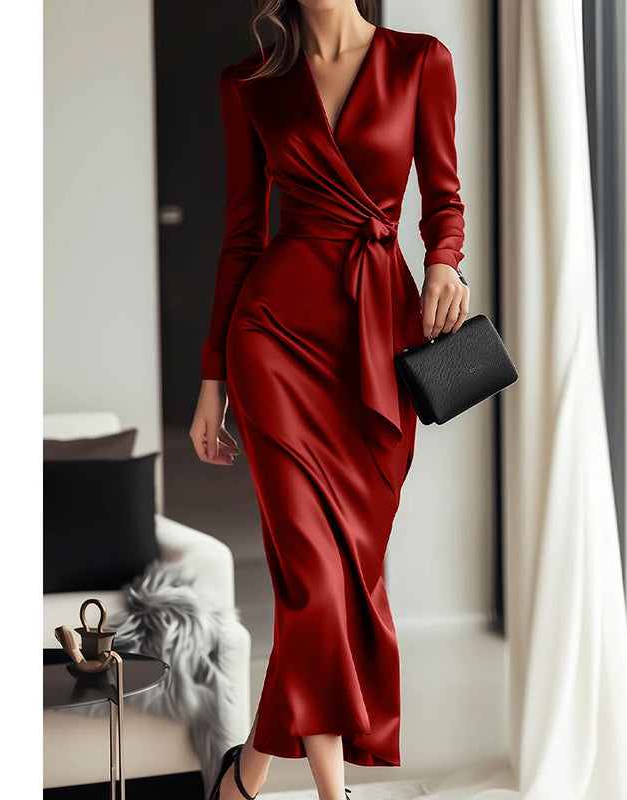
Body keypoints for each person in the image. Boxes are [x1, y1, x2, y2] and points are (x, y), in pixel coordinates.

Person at [189, 2, 467, 800]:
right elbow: (241, 234)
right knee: (312, 573)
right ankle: (330, 795)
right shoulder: (248, 84)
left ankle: (244, 779)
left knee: (343, 581)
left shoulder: (422, 60)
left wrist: (444, 263)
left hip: (378, 345)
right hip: (273, 342)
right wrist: (213, 378)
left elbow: (442, 200)